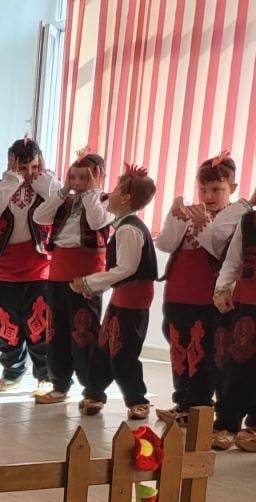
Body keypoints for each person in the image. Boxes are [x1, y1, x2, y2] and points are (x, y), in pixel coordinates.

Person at [156, 154, 242, 427]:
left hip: (208, 298)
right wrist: (174, 216)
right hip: (177, 294)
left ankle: (198, 407)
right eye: (203, 189)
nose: (208, 196)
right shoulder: (190, 214)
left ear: (232, 188)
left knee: (203, 353)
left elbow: (222, 253)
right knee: (178, 350)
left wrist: (204, 225)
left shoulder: (234, 219)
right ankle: (182, 401)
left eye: (217, 189)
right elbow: (165, 244)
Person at [73, 164, 159, 418]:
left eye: (117, 189)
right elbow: (120, 272)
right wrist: (95, 285)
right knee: (103, 346)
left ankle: (137, 400)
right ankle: (94, 393)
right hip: (123, 298)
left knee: (123, 351)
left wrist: (89, 282)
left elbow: (125, 269)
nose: (110, 193)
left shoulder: (129, 230)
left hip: (133, 301)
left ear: (126, 198)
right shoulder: (123, 226)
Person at [0, 138, 58, 393]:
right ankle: (12, 372)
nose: (29, 173)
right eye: (22, 168)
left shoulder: (47, 188)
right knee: (6, 326)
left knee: (40, 324)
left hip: (39, 269)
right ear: (10, 164)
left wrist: (44, 180)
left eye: (34, 167)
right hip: (2, 271)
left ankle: (46, 375)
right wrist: (11, 180)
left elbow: (61, 202)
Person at [35, 152, 113, 406]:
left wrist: (92, 191)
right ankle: (59, 384)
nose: (78, 183)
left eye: (85, 178)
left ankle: (93, 391)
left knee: (84, 333)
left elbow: (97, 221)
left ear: (99, 177)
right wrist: (63, 190)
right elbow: (39, 217)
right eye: (74, 177)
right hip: (58, 271)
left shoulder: (106, 201)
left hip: (86, 274)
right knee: (55, 332)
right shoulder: (65, 201)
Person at [212, 185, 256, 451]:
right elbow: (233, 261)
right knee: (235, 366)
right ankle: (227, 424)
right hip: (247, 303)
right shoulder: (249, 221)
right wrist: (221, 288)